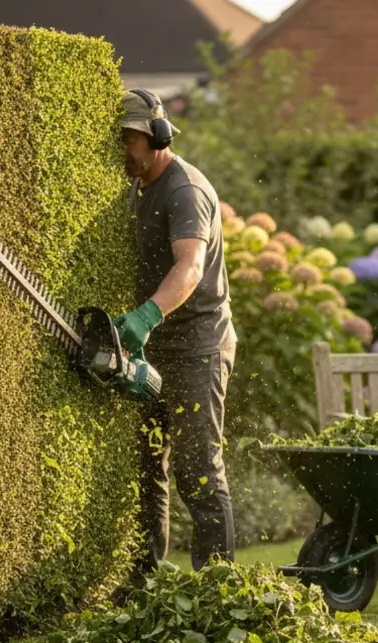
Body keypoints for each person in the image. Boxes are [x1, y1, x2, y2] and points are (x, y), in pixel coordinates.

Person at [114, 88, 237, 578]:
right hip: (158, 348)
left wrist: (145, 316)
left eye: (131, 139)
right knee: (148, 468)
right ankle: (145, 581)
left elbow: (189, 268)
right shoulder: (139, 185)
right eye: (120, 139)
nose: (124, 149)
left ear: (158, 136)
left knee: (198, 471)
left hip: (198, 347)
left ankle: (219, 589)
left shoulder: (184, 190)